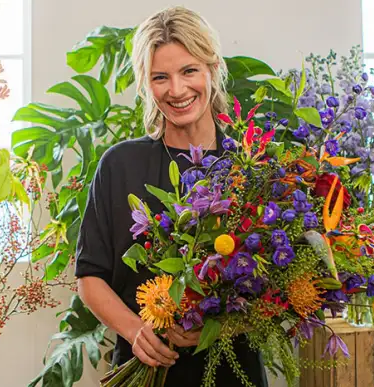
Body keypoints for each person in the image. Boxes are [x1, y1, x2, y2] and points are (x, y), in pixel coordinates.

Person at [75, 6, 268, 386]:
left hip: (233, 372)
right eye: (160, 77)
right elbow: (90, 277)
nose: (176, 90)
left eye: (189, 71)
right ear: (146, 85)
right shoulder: (120, 166)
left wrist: (221, 326)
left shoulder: (252, 167)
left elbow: (278, 295)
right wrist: (135, 331)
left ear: (213, 69)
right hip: (145, 371)